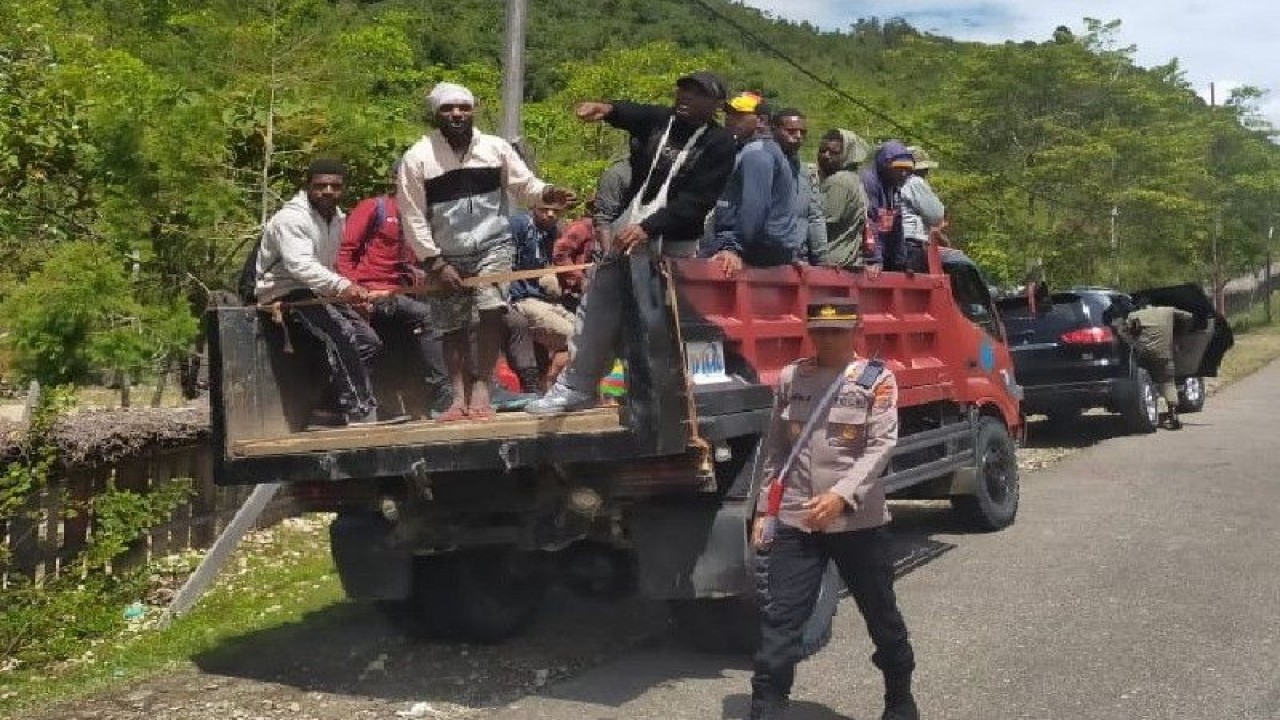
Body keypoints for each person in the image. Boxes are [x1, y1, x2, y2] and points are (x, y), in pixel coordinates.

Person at [526, 71, 737, 415]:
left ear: (715, 105)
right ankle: (575, 387)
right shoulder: (662, 121)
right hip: (630, 230)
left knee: (667, 320)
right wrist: (604, 109)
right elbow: (631, 112)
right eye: (682, 89)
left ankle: (669, 392)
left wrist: (650, 227)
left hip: (674, 243)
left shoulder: (720, 143)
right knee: (597, 304)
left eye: (697, 94)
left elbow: (698, 200)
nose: (685, 97)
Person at [748, 297, 916, 720]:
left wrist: (841, 495)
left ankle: (899, 699)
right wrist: (765, 512)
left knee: (882, 617)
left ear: (855, 331)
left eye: (836, 330)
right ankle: (766, 707)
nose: (826, 338)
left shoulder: (877, 379)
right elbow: (775, 451)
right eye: (819, 330)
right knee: (779, 622)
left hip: (858, 522)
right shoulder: (792, 378)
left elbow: (880, 447)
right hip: (796, 521)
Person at [397, 81, 575, 421]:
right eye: (448, 109)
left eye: (463, 107)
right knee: (452, 325)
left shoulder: (494, 148)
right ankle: (457, 397)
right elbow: (412, 213)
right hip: (444, 253)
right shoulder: (418, 157)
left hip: (493, 243)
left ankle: (482, 386)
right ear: (436, 114)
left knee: (492, 310)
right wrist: (434, 262)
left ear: (472, 110)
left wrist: (548, 193)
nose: (457, 114)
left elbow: (525, 185)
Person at [254, 158, 403, 428]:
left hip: (318, 291)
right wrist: (344, 287)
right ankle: (359, 411)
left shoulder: (337, 218)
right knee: (342, 335)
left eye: (335, 186)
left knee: (368, 341)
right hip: (285, 293)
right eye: (321, 186)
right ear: (308, 186)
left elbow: (330, 265)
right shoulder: (291, 219)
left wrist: (354, 291)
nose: (328, 192)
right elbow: (300, 266)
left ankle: (332, 407)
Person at [336, 160, 451, 417]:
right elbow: (344, 253)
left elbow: (412, 262)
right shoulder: (373, 208)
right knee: (429, 317)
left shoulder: (419, 220)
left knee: (450, 314)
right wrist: (354, 292)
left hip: (398, 293)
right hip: (370, 291)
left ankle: (430, 396)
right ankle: (442, 390)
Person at [702, 91, 796, 276]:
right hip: (756, 246)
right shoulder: (759, 150)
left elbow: (755, 207)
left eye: (739, 115)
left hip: (753, 249)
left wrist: (734, 248)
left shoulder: (757, 153)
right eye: (729, 114)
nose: (729, 119)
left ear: (761, 120)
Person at [509, 199, 578, 388]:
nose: (550, 214)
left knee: (584, 332)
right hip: (521, 298)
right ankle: (548, 383)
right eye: (545, 209)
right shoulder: (519, 225)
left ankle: (554, 383)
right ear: (532, 208)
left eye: (556, 210)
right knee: (571, 334)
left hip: (546, 300)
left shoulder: (553, 231)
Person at [1120, 300, 1193, 429]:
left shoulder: (1134, 315)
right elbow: (1188, 316)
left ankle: (1148, 413)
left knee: (1144, 382)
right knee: (1168, 383)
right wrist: (1178, 330)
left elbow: (1124, 331)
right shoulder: (1167, 311)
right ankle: (1173, 414)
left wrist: (1133, 340)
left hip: (1144, 355)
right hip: (1164, 354)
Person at [770, 109, 827, 265]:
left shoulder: (805, 172)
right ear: (773, 129)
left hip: (799, 259)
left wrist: (822, 259)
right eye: (791, 131)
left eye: (802, 132)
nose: (798, 136)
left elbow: (815, 217)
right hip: (767, 257)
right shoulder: (762, 165)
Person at [816, 129, 871, 269]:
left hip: (831, 258)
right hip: (845, 259)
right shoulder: (853, 179)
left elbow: (823, 220)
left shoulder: (838, 181)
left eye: (834, 153)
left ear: (846, 154)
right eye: (823, 150)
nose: (826, 156)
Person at [860, 141, 917, 275]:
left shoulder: (893, 188)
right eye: (899, 169)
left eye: (907, 170)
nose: (903, 174)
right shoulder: (869, 182)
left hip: (883, 253)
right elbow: (868, 223)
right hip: (866, 256)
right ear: (885, 166)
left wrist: (901, 262)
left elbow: (896, 228)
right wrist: (873, 259)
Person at [899, 146, 946, 270]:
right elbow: (936, 214)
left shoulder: (897, 183)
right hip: (911, 242)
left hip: (898, 241)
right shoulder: (915, 182)